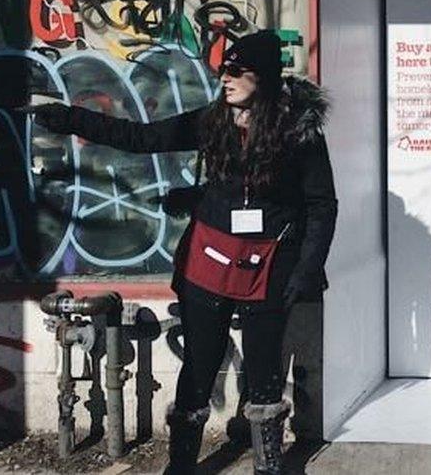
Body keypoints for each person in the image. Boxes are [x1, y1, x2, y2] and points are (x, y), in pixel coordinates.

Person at [26, 31, 337, 475]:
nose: (224, 79)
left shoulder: (299, 133)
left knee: (266, 375)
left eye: (236, 71)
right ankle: (181, 466)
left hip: (270, 269)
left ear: (263, 79)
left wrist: (308, 268)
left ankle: (269, 466)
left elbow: (322, 204)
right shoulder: (213, 122)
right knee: (198, 367)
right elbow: (139, 137)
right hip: (208, 262)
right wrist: (66, 118)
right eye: (222, 71)